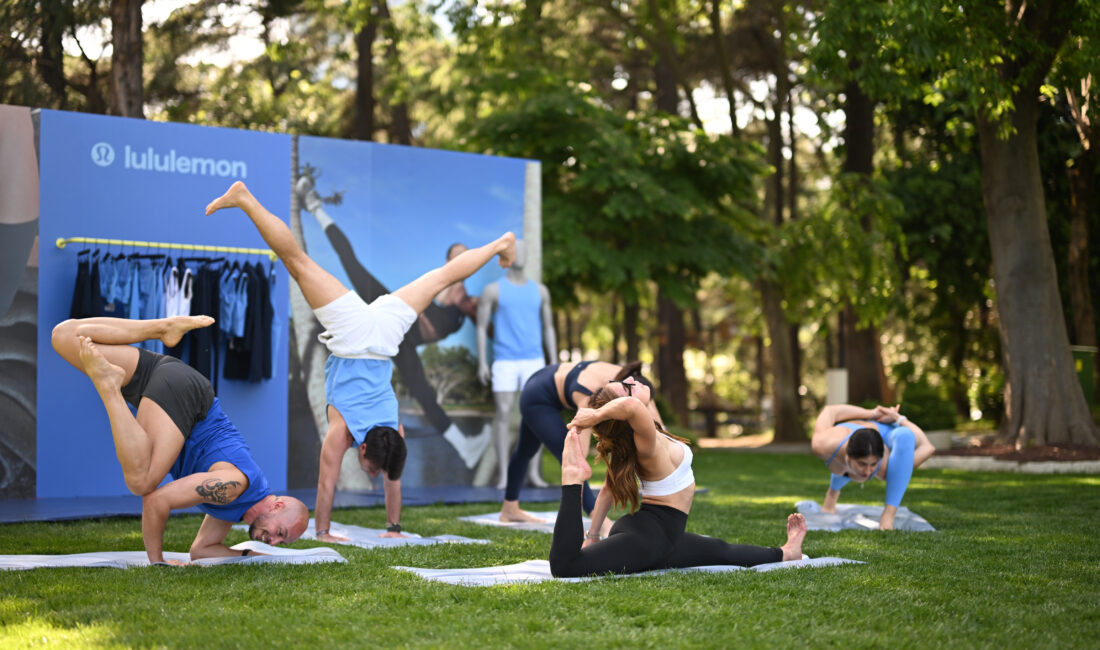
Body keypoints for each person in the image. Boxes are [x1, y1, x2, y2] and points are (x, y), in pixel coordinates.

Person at [206, 181, 515, 542]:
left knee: (442, 277)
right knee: (297, 261)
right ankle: (244, 198)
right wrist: (323, 533)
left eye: (373, 472)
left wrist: (394, 530)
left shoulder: (392, 435)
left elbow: (391, 479)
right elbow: (326, 483)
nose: (373, 474)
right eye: (371, 469)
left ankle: (500, 244)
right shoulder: (343, 432)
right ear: (363, 448)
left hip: (385, 335)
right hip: (355, 335)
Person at [50, 315, 310, 564]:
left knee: (64, 336)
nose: (273, 542)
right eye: (280, 533)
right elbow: (157, 500)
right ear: (277, 506)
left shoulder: (235, 506)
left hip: (170, 378)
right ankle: (109, 387)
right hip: (183, 395)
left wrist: (253, 557)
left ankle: (161, 328)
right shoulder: (233, 486)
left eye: (281, 543)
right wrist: (158, 561)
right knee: (142, 481)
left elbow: (201, 551)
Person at [548, 378, 807, 577]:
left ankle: (787, 552)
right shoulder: (645, 441)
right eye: (626, 387)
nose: (632, 380)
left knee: (722, 550)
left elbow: (608, 487)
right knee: (566, 566)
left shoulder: (643, 430)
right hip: (647, 539)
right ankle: (572, 478)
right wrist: (596, 415)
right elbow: (631, 406)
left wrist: (593, 536)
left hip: (658, 534)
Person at [296, 176, 480, 456]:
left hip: (400, 339)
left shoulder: (464, 302)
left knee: (423, 394)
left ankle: (465, 447)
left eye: (468, 256)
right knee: (351, 264)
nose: (465, 260)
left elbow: (465, 322)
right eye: (459, 256)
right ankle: (315, 207)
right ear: (448, 261)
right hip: (392, 318)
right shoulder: (434, 287)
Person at [499, 360, 660, 531]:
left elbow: (653, 415)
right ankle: (601, 522)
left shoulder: (630, 381)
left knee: (524, 451)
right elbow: (577, 462)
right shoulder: (592, 396)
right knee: (571, 459)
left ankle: (509, 509)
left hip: (542, 379)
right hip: (537, 397)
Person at [476, 240, 556, 487]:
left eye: (524, 250)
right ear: (507, 257)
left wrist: (553, 360)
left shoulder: (540, 291)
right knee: (502, 413)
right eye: (515, 251)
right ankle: (504, 474)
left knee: (536, 413)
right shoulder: (493, 290)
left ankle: (533, 473)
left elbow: (549, 327)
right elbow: (481, 327)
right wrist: (482, 362)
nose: (520, 255)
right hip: (505, 360)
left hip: (534, 359)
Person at [810, 403, 935, 530]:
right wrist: (872, 413)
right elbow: (830, 410)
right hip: (858, 431)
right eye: (862, 464)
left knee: (905, 435)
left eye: (873, 464)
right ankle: (831, 496)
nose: (868, 471)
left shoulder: (888, 468)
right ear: (848, 455)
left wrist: (899, 419)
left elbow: (927, 447)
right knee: (844, 469)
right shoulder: (823, 444)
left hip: (889, 431)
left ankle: (888, 515)